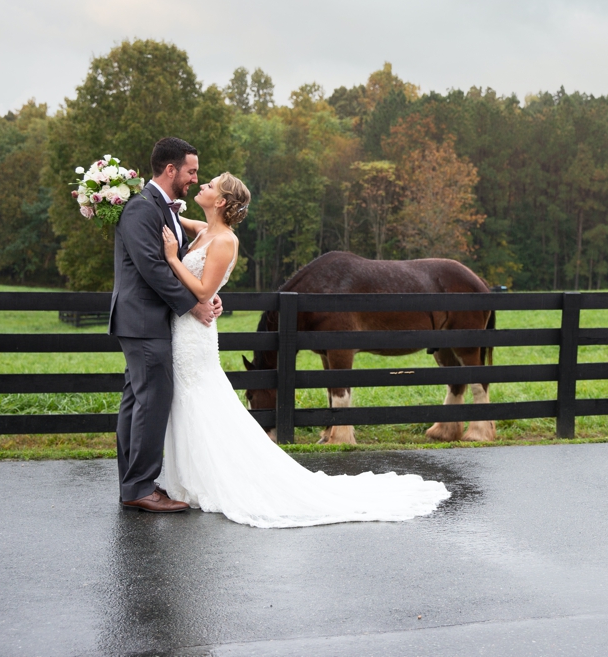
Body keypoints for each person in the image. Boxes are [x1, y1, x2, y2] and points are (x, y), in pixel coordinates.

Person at [156, 172, 450, 527]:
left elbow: (203, 292)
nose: (201, 185)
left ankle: (218, 476)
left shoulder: (225, 241)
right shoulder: (204, 231)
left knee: (203, 400)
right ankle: (193, 476)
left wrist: (173, 258)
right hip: (186, 331)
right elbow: (180, 220)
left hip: (195, 329)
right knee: (193, 402)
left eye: (209, 185)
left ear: (220, 201)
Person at [110, 137, 222, 513]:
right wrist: (193, 306)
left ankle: (134, 484)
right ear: (170, 170)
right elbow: (153, 268)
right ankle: (140, 488)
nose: (195, 178)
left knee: (137, 401)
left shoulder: (166, 208)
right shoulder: (142, 209)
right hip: (142, 318)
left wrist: (207, 294)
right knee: (151, 400)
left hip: (148, 319)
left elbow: (187, 261)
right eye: (191, 171)